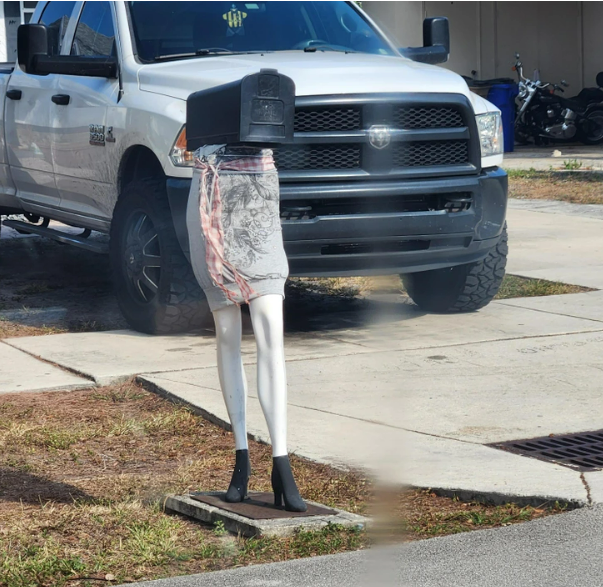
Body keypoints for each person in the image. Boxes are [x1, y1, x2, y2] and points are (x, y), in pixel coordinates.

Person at [186, 144, 306, 512]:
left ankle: (281, 462)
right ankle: (241, 458)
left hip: (258, 187)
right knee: (227, 332)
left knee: (271, 328)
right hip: (211, 188)